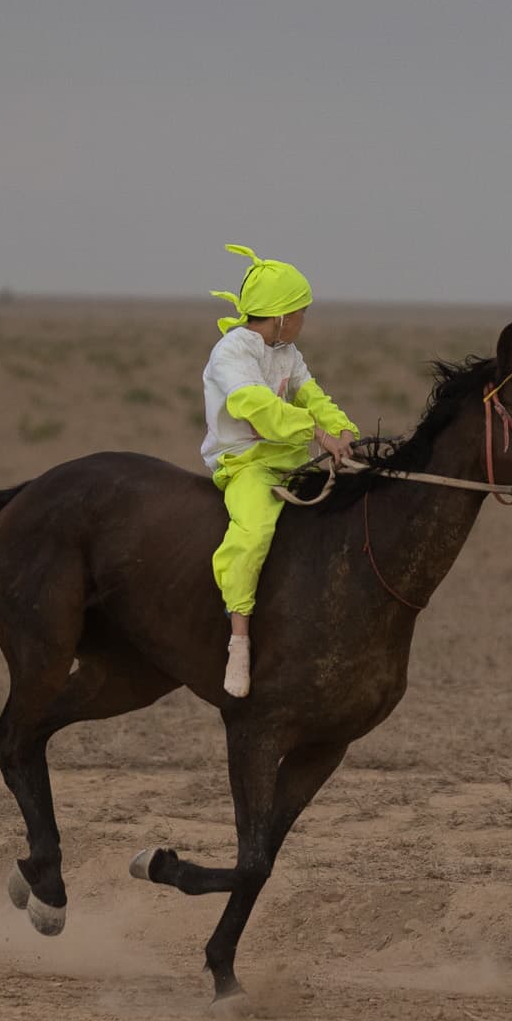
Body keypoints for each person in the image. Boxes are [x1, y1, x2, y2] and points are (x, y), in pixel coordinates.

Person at [202, 244, 360, 699]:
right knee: (251, 536)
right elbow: (257, 409)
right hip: (246, 465)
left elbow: (313, 396)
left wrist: (343, 430)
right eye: (300, 313)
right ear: (280, 316)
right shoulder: (230, 353)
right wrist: (317, 434)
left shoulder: (288, 351)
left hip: (291, 461)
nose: (303, 321)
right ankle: (239, 640)